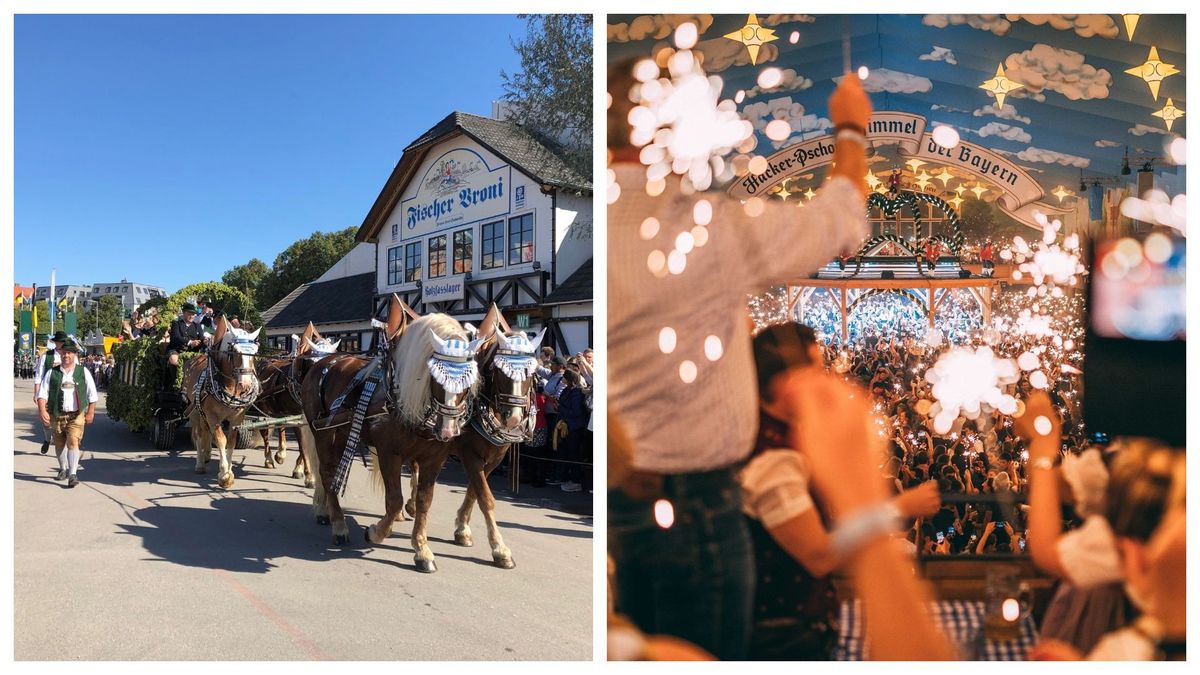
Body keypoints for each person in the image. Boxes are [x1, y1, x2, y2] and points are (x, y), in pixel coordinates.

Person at [608, 53, 872, 660]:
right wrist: (851, 129)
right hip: (696, 510)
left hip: (624, 499)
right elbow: (840, 219)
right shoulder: (703, 226)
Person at [744, 323, 941, 659]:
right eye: (817, 370)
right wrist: (897, 509)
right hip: (782, 635)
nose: (829, 379)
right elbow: (819, 555)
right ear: (785, 384)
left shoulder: (783, 436)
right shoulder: (773, 461)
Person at [36, 337, 98, 488]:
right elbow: (42, 394)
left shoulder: (83, 372)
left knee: (73, 441)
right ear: (61, 353)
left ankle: (73, 474)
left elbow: (92, 394)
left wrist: (90, 412)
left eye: (70, 353)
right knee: (59, 444)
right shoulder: (52, 373)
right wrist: (42, 410)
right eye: (64, 353)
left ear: (75, 355)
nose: (67, 356)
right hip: (56, 414)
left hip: (76, 415)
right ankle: (63, 468)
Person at [33, 331, 68, 454]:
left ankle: (62, 449)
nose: (62, 344)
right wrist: (36, 392)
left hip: (65, 392)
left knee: (63, 422)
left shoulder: (71, 355)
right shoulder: (46, 356)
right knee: (46, 420)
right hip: (48, 392)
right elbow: (39, 375)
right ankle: (47, 439)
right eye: (60, 342)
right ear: (55, 342)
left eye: (63, 342)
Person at [166, 302, 205, 388]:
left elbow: (201, 338)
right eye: (189, 314)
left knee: (201, 362)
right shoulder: (176, 324)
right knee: (174, 360)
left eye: (193, 314)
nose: (191, 316)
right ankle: (177, 382)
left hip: (192, 351)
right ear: (184, 313)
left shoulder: (197, 326)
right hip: (176, 349)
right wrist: (191, 342)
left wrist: (204, 340)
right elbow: (176, 338)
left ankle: (193, 384)